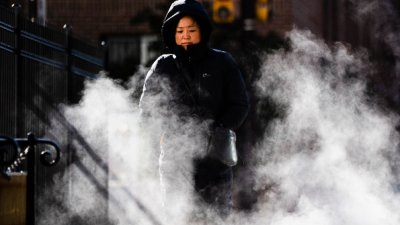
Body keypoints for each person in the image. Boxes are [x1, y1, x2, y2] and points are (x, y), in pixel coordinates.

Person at [139, 0, 249, 219]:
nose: (185, 35)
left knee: (216, 217)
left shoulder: (222, 62)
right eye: (180, 30)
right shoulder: (163, 65)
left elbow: (239, 104)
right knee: (178, 216)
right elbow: (148, 110)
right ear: (172, 33)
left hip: (215, 158)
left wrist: (218, 130)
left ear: (202, 30)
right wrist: (157, 138)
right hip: (175, 158)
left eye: (191, 30)